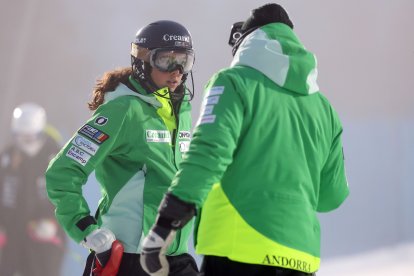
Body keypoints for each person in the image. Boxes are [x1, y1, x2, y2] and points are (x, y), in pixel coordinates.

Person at [140, 3, 350, 276]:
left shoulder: (233, 83)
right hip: (302, 256)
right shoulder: (324, 108)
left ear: (245, 42)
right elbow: (331, 196)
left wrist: (165, 223)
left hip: (240, 250)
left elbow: (209, 153)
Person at [45, 20, 199, 276]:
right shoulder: (123, 110)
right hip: (130, 259)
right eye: (167, 60)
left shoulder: (180, 110)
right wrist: (86, 229)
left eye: (184, 61)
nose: (177, 71)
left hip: (175, 257)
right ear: (143, 62)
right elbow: (62, 173)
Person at [0, 102, 67, 276]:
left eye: (29, 138)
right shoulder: (7, 157)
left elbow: (68, 194)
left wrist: (52, 221)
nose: (24, 143)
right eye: (19, 137)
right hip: (11, 238)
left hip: (44, 239)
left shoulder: (56, 157)